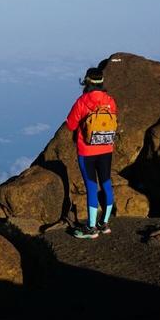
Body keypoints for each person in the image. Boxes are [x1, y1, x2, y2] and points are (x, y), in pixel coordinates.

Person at [65, 67, 118, 239]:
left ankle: (91, 228)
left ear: (86, 82)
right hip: (106, 149)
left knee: (91, 187)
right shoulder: (110, 101)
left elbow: (71, 125)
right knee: (106, 183)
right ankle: (104, 224)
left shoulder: (82, 101)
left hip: (87, 150)